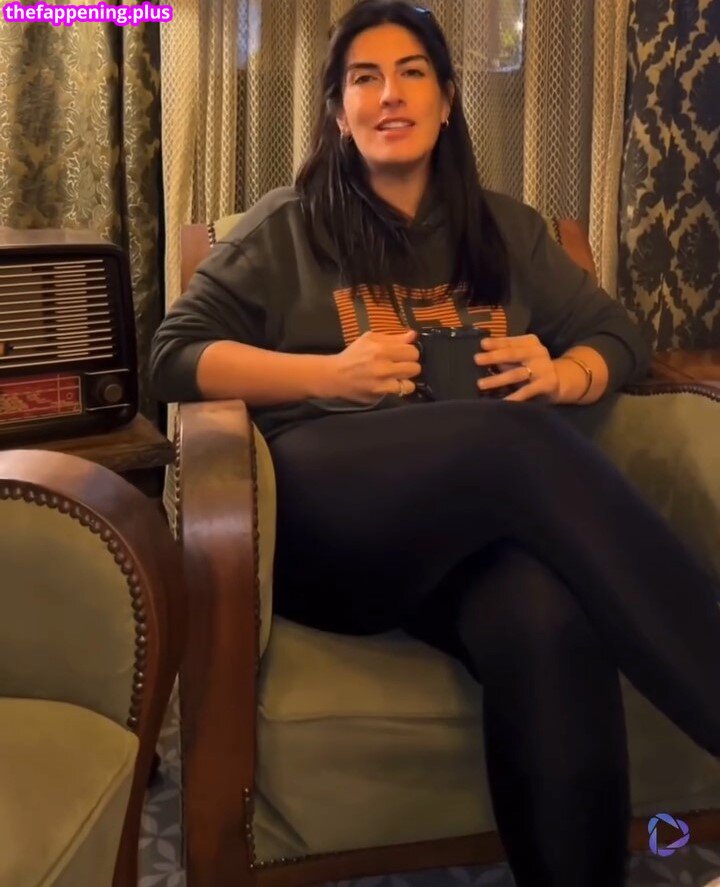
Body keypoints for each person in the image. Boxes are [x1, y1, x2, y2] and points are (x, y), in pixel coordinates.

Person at [150, 2, 720, 884]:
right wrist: (327, 374)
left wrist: (563, 372)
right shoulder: (285, 228)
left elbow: (618, 336)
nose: (390, 94)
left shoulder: (507, 232)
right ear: (339, 112)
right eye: (364, 78)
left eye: (412, 73)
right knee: (511, 442)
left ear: (448, 101)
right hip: (330, 528)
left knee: (546, 615)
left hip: (468, 541)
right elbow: (173, 355)